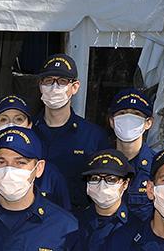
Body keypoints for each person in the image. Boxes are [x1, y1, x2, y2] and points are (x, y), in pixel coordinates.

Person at [0, 94, 70, 209]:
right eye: (3, 119)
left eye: (19, 119)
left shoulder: (50, 175)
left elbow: (62, 214)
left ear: (29, 125)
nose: (11, 125)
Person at [31, 54, 109, 210]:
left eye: (62, 81)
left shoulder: (93, 136)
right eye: (48, 81)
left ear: (75, 87)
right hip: (31, 218)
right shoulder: (26, 132)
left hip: (75, 218)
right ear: (40, 85)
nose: (54, 88)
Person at [106, 89, 156, 222]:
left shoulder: (157, 166)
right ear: (112, 121)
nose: (128, 119)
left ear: (148, 123)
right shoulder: (98, 164)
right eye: (122, 113)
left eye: (136, 114)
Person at [77, 149, 134, 251]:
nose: (102, 185)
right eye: (95, 178)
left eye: (111, 179)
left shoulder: (135, 224)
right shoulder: (74, 223)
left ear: (125, 183)